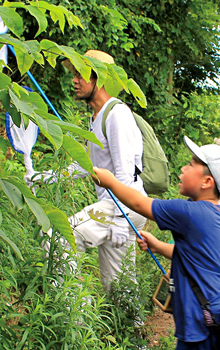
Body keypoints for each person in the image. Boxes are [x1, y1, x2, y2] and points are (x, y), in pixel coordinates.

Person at [92, 136, 220, 349]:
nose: (182, 168)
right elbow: (197, 256)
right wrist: (158, 246)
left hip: (201, 320)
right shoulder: (218, 213)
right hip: (217, 312)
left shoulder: (190, 212)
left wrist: (110, 182)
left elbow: (139, 203)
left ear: (207, 182)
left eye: (190, 164)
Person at [61, 50, 147, 291]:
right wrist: (44, 177)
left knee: (60, 238)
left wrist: (120, 219)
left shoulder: (117, 114)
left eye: (81, 74)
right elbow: (85, 164)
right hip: (119, 206)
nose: (75, 80)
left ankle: (76, 319)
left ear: (98, 77)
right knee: (118, 285)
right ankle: (132, 326)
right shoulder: (96, 116)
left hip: (123, 204)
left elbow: (125, 171)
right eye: (75, 74)